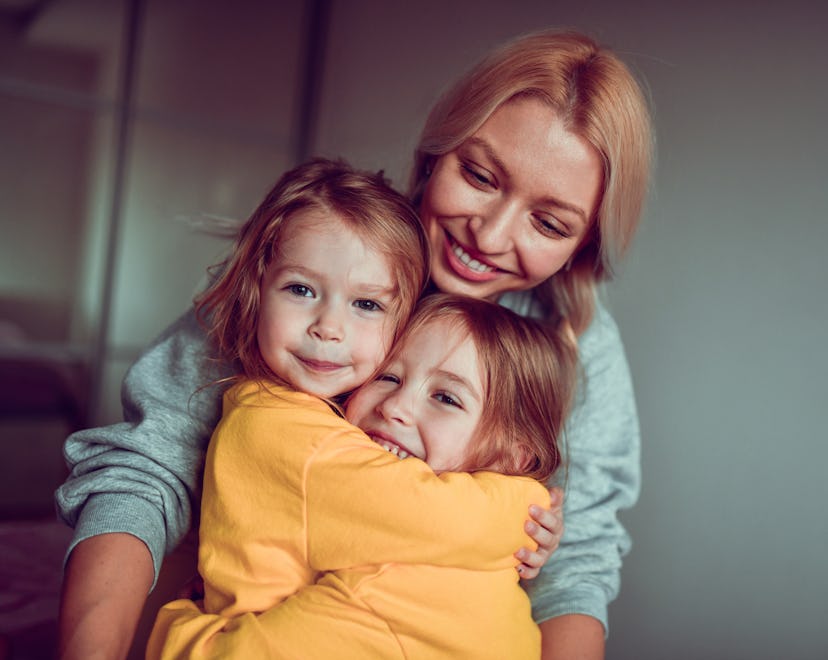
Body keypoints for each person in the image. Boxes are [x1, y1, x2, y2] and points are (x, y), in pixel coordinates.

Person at [57, 28, 652, 660]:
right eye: (479, 175)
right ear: (434, 153)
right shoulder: (326, 258)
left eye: (548, 223)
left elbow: (576, 566)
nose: (491, 234)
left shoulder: (579, 343)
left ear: (581, 246)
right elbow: (148, 468)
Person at [146, 290, 579, 659]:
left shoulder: (387, 587)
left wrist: (180, 624)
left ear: (516, 456)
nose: (395, 407)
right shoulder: (492, 564)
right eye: (387, 375)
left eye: (446, 398)